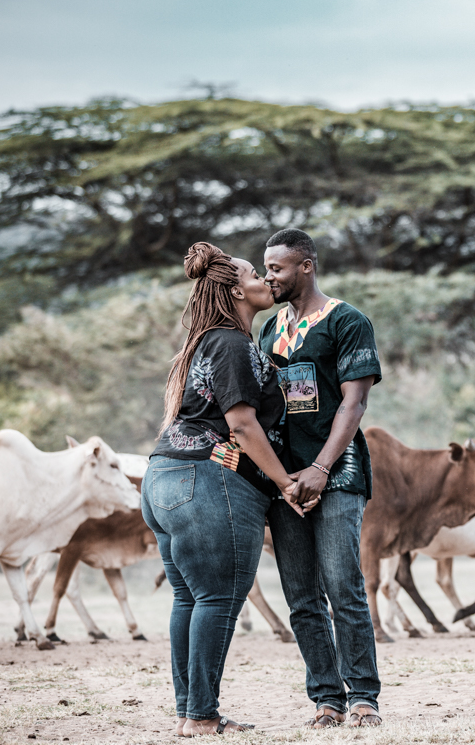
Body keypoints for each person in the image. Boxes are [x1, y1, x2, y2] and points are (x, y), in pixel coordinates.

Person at [142, 242, 312, 737]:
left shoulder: (205, 343)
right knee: (216, 598)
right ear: (236, 289)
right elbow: (240, 423)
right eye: (253, 273)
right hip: (206, 481)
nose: (264, 278)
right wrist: (284, 483)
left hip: (164, 479)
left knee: (190, 599)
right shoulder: (232, 343)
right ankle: (201, 716)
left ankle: (190, 711)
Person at [259, 228, 384, 729]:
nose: (269, 276)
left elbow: (354, 405)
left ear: (306, 266)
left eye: (277, 268)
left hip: (336, 473)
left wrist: (319, 469)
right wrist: (285, 478)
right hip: (285, 482)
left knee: (342, 584)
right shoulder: (269, 330)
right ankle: (327, 700)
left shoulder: (348, 321)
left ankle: (363, 698)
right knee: (301, 596)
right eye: (266, 268)